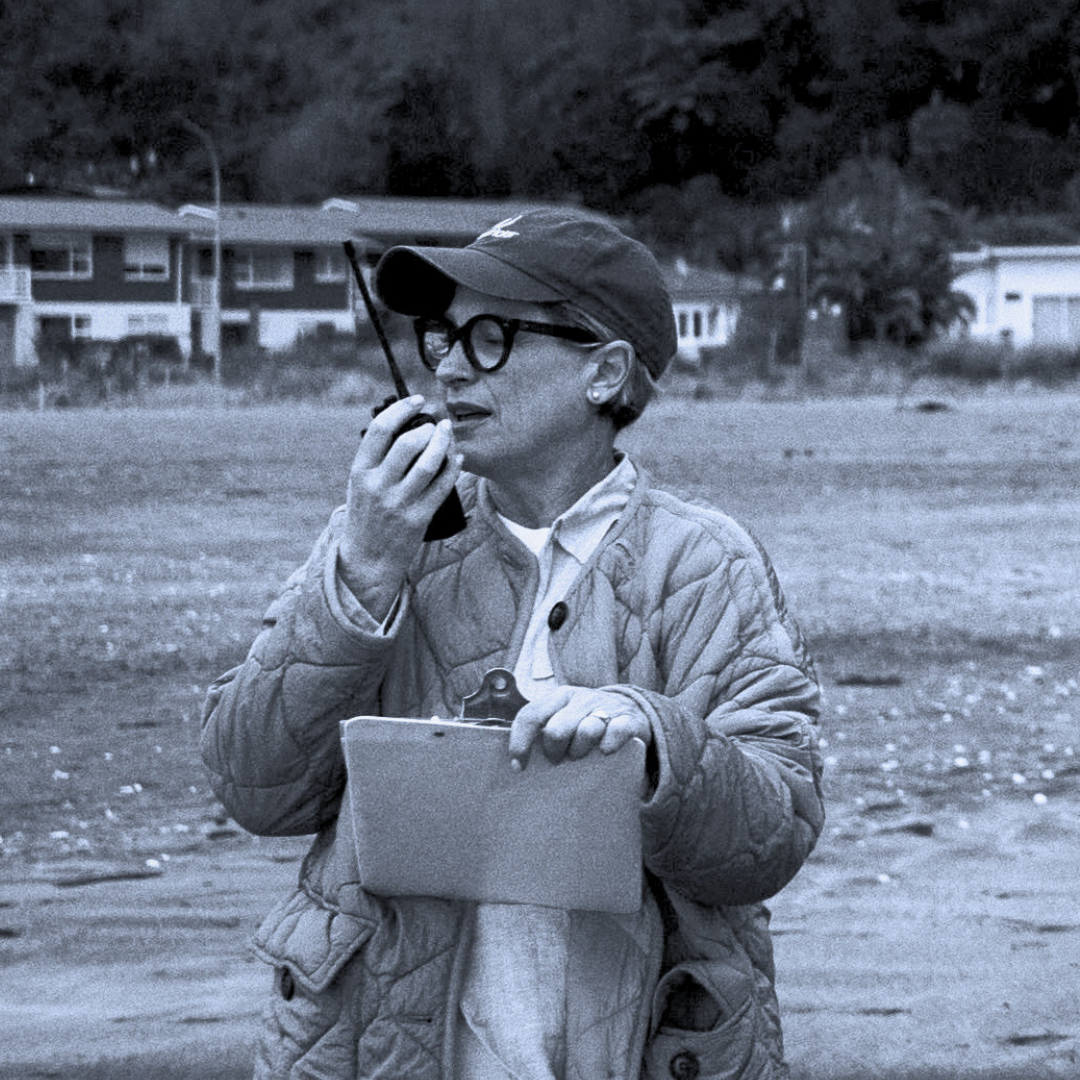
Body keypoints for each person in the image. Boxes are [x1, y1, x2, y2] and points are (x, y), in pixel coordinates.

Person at [201, 208, 825, 1080]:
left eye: (489, 335)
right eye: (440, 337)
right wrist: (361, 576)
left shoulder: (704, 563)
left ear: (604, 372)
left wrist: (651, 742)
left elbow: (776, 830)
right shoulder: (386, 538)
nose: (450, 366)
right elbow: (252, 782)